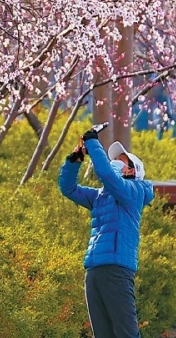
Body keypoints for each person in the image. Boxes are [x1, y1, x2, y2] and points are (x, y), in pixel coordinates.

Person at [59, 130, 154, 338]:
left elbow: (107, 175)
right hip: (94, 270)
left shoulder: (133, 191)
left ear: (131, 171)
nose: (115, 163)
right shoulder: (101, 196)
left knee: (126, 333)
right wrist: (75, 160)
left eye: (121, 161)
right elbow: (68, 188)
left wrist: (93, 144)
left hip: (117, 269)